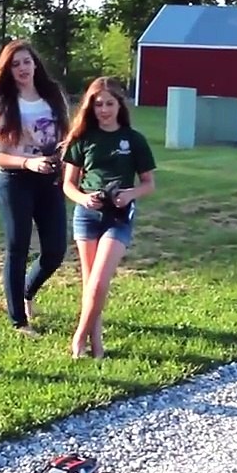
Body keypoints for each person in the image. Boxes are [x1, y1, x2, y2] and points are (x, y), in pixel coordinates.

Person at [0, 40, 72, 335]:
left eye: (26, 62)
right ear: (8, 70)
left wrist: (65, 159)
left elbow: (68, 135)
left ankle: (27, 291)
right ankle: (19, 321)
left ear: (35, 64)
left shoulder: (53, 95)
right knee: (17, 248)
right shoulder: (2, 104)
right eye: (15, 64)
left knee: (55, 250)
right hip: (15, 181)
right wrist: (28, 163)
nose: (22, 68)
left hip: (50, 180)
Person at [60, 77, 156, 359]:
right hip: (87, 214)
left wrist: (130, 193)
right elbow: (68, 185)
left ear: (120, 105)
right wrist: (83, 198)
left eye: (109, 104)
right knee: (90, 284)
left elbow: (149, 183)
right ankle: (97, 344)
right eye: (98, 104)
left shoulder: (133, 140)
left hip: (119, 216)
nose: (104, 110)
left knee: (100, 281)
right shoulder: (82, 138)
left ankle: (79, 337)